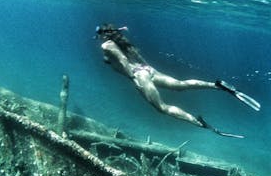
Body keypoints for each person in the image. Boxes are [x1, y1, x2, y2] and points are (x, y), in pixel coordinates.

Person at [95, 23, 260, 138]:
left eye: (98, 33)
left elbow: (123, 61)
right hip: (147, 70)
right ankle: (216, 85)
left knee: (162, 108)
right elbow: (139, 59)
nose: (97, 37)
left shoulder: (107, 46)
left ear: (104, 34)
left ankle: (196, 122)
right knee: (180, 85)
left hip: (139, 76)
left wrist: (134, 78)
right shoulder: (121, 41)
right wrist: (153, 72)